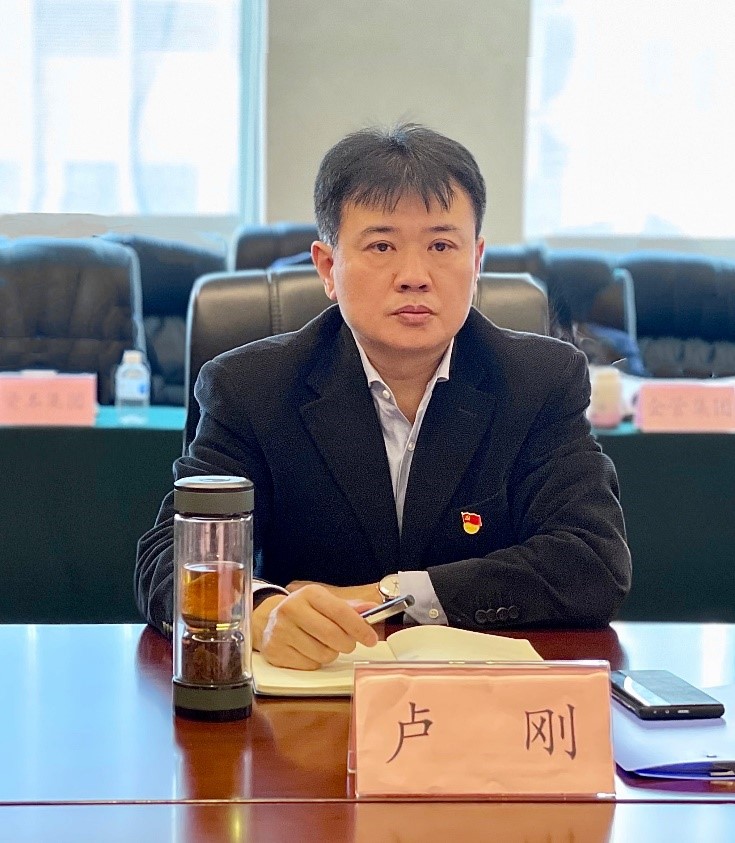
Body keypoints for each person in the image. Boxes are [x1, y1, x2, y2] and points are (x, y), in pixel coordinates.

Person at [135, 122, 631, 670]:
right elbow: (170, 558)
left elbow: (593, 561)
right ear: (328, 268)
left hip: (478, 700)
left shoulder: (539, 381)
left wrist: (390, 595)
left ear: (477, 261)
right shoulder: (251, 389)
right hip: (311, 699)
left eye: (441, 245)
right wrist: (259, 610)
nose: (414, 276)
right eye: (382, 245)